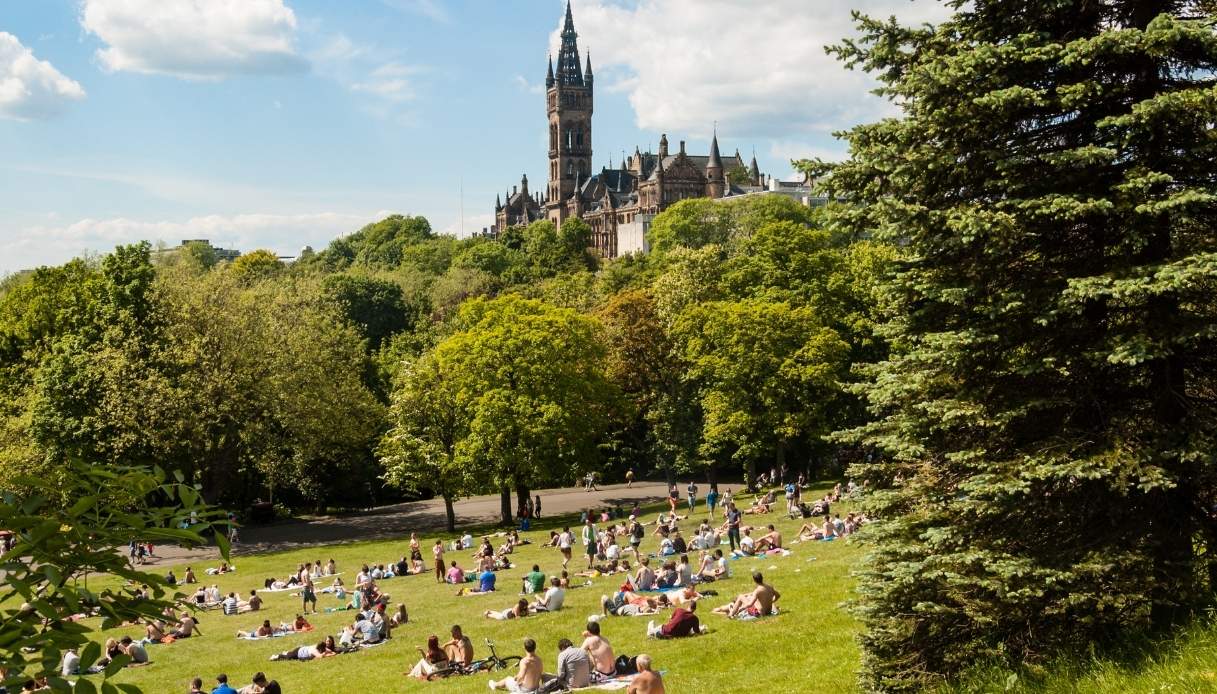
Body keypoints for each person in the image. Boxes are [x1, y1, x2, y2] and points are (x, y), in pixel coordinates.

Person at [713, 571, 781, 618]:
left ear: (754, 580)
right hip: (768, 611)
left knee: (740, 596)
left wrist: (741, 609)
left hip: (759, 613)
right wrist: (772, 601)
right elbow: (778, 595)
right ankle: (731, 611)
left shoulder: (757, 591)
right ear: (762, 578)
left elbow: (750, 604)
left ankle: (731, 614)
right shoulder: (769, 587)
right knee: (748, 597)